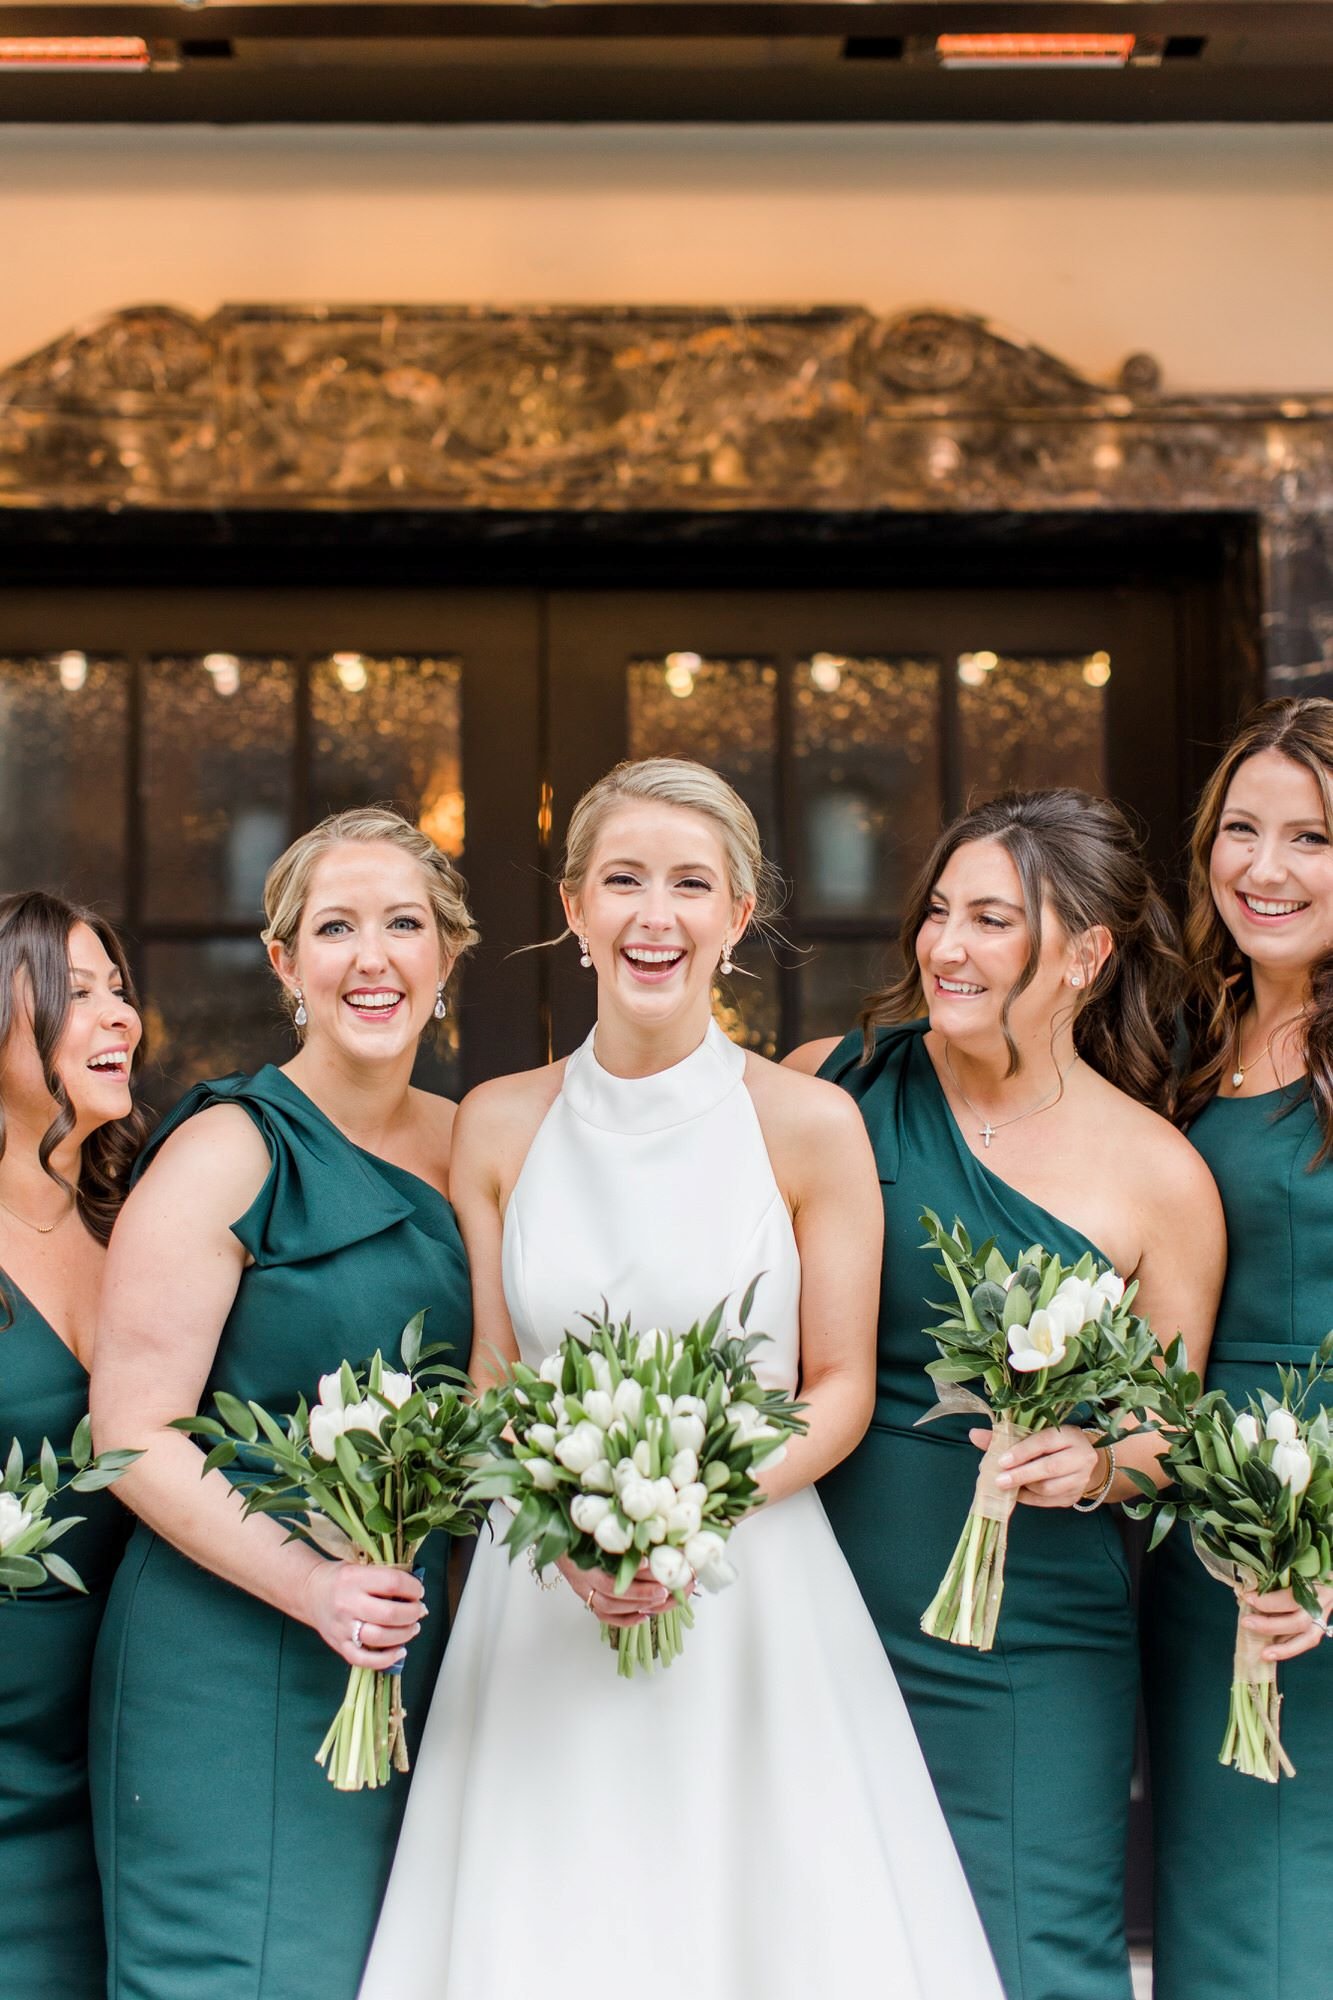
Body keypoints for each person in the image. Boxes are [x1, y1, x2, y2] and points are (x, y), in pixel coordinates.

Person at [359, 757, 1003, 2000]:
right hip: (544, 1585)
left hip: (747, 1580)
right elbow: (494, 1374)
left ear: (740, 909)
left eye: (690, 883)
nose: (656, 914)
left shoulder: (809, 1121)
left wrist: (678, 1518)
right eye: (624, 881)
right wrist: (578, 1532)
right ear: (575, 906)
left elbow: (836, 1385)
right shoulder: (496, 1119)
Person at [786, 788, 1225, 2000]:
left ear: (1084, 953)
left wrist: (1094, 1464)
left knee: (1035, 1955)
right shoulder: (829, 1086)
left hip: (1031, 1635)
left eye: (990, 918)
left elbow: (1166, 1432)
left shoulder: (1159, 1174)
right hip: (823, 1602)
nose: (945, 946)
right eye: (937, 911)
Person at [89, 807, 477, 2000]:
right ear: (284, 962)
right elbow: (132, 1430)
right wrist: (309, 1582)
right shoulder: (229, 1147)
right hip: (232, 1652)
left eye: (403, 923)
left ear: (447, 953)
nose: (372, 957)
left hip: (414, 1649)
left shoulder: (477, 1148)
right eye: (335, 927)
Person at [1143, 698, 1333, 2000]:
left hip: (1313, 1541)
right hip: (1208, 1529)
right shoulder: (1188, 1034)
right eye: (1241, 831)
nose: (1263, 869)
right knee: (1222, 1889)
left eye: (1312, 838)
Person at [0, 890, 147, 1999]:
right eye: (76, 991)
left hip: (136, 1736)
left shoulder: (142, 1220)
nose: (119, 1017)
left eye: (118, 989)